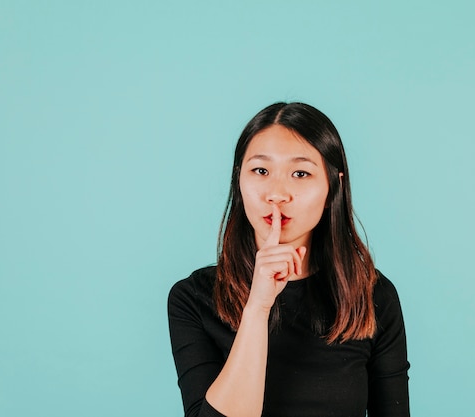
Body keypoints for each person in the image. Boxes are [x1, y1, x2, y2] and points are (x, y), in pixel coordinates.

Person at [168, 102, 410, 417]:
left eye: (300, 173)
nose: (277, 193)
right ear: (239, 180)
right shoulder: (193, 298)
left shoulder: (372, 296)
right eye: (261, 170)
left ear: (332, 186)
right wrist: (257, 308)